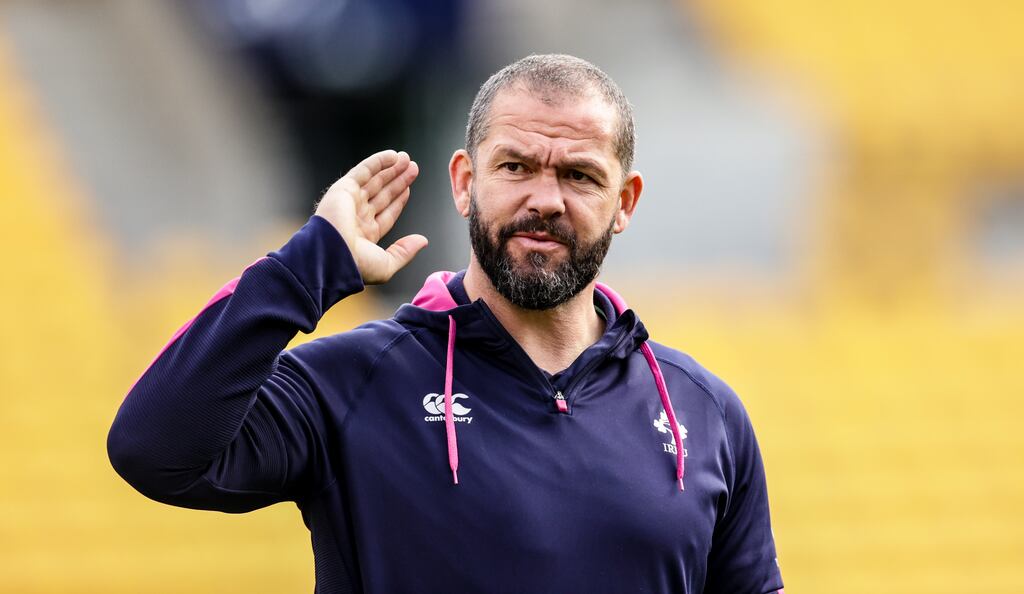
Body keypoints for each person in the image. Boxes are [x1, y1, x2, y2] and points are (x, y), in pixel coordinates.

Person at [108, 54, 784, 594]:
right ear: (464, 182)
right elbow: (153, 450)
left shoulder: (705, 411)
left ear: (624, 201)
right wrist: (305, 267)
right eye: (515, 166)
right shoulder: (352, 382)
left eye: (579, 176)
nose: (543, 200)